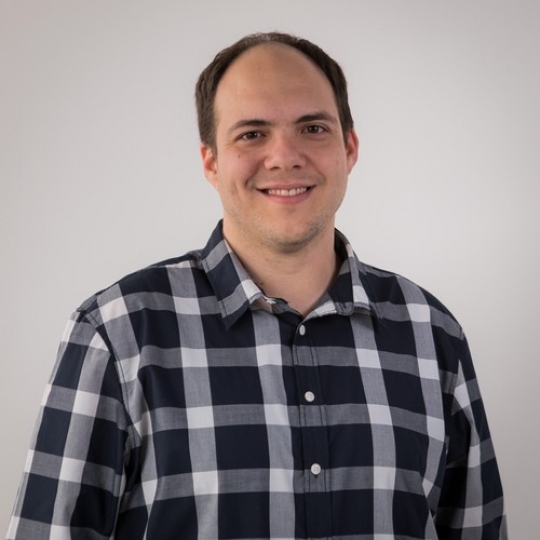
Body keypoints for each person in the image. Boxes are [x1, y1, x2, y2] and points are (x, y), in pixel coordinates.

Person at [7, 32, 506, 539]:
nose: (285, 156)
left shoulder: (431, 334)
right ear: (211, 161)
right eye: (251, 134)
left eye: (313, 128)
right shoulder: (117, 334)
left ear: (349, 148)